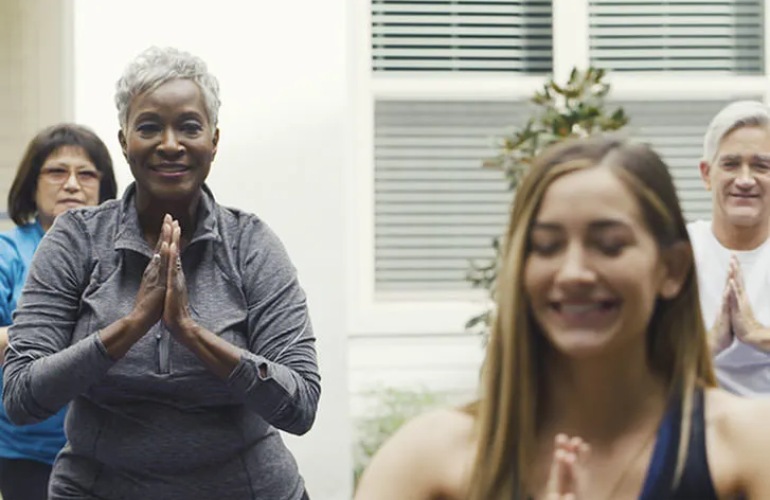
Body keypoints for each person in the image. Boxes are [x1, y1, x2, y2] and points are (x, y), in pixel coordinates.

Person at [354, 136, 770, 499]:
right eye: (547, 247)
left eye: (609, 246)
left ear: (672, 269)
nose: (573, 273)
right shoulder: (427, 458)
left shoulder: (749, 446)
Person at [3, 47, 321, 500]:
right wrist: (129, 328)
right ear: (124, 141)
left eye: (189, 127)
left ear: (213, 140)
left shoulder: (251, 244)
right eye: (149, 126)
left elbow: (301, 405)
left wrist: (192, 333)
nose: (169, 143)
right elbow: (20, 397)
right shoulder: (76, 240)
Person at [0, 123, 117, 500]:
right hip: (25, 453)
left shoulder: (122, 253)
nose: (71, 184)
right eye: (56, 172)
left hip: (110, 451)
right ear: (31, 184)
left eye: (86, 173)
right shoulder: (8, 250)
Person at [689, 100, 770, 396]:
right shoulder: (678, 254)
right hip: (699, 423)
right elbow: (646, 367)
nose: (745, 180)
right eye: (731, 164)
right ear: (706, 174)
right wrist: (713, 343)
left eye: (761, 166)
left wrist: (757, 335)